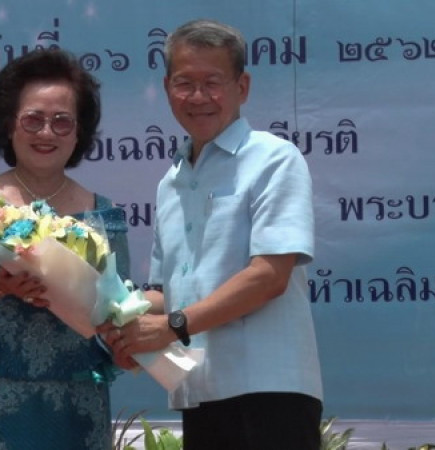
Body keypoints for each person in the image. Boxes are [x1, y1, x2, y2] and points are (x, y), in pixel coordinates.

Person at [99, 19, 323, 450]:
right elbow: (166, 292)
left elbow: (269, 277)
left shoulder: (275, 159)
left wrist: (170, 326)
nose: (198, 97)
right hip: (199, 390)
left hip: (269, 390)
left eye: (213, 82)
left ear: (243, 86)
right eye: (184, 82)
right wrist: (119, 320)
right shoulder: (172, 183)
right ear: (167, 88)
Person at [0, 48, 130, 450]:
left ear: (79, 131)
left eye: (61, 121)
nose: (47, 132)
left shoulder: (104, 215)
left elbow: (119, 304)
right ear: (8, 125)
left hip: (76, 398)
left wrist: (131, 342)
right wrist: (0, 285)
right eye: (33, 119)